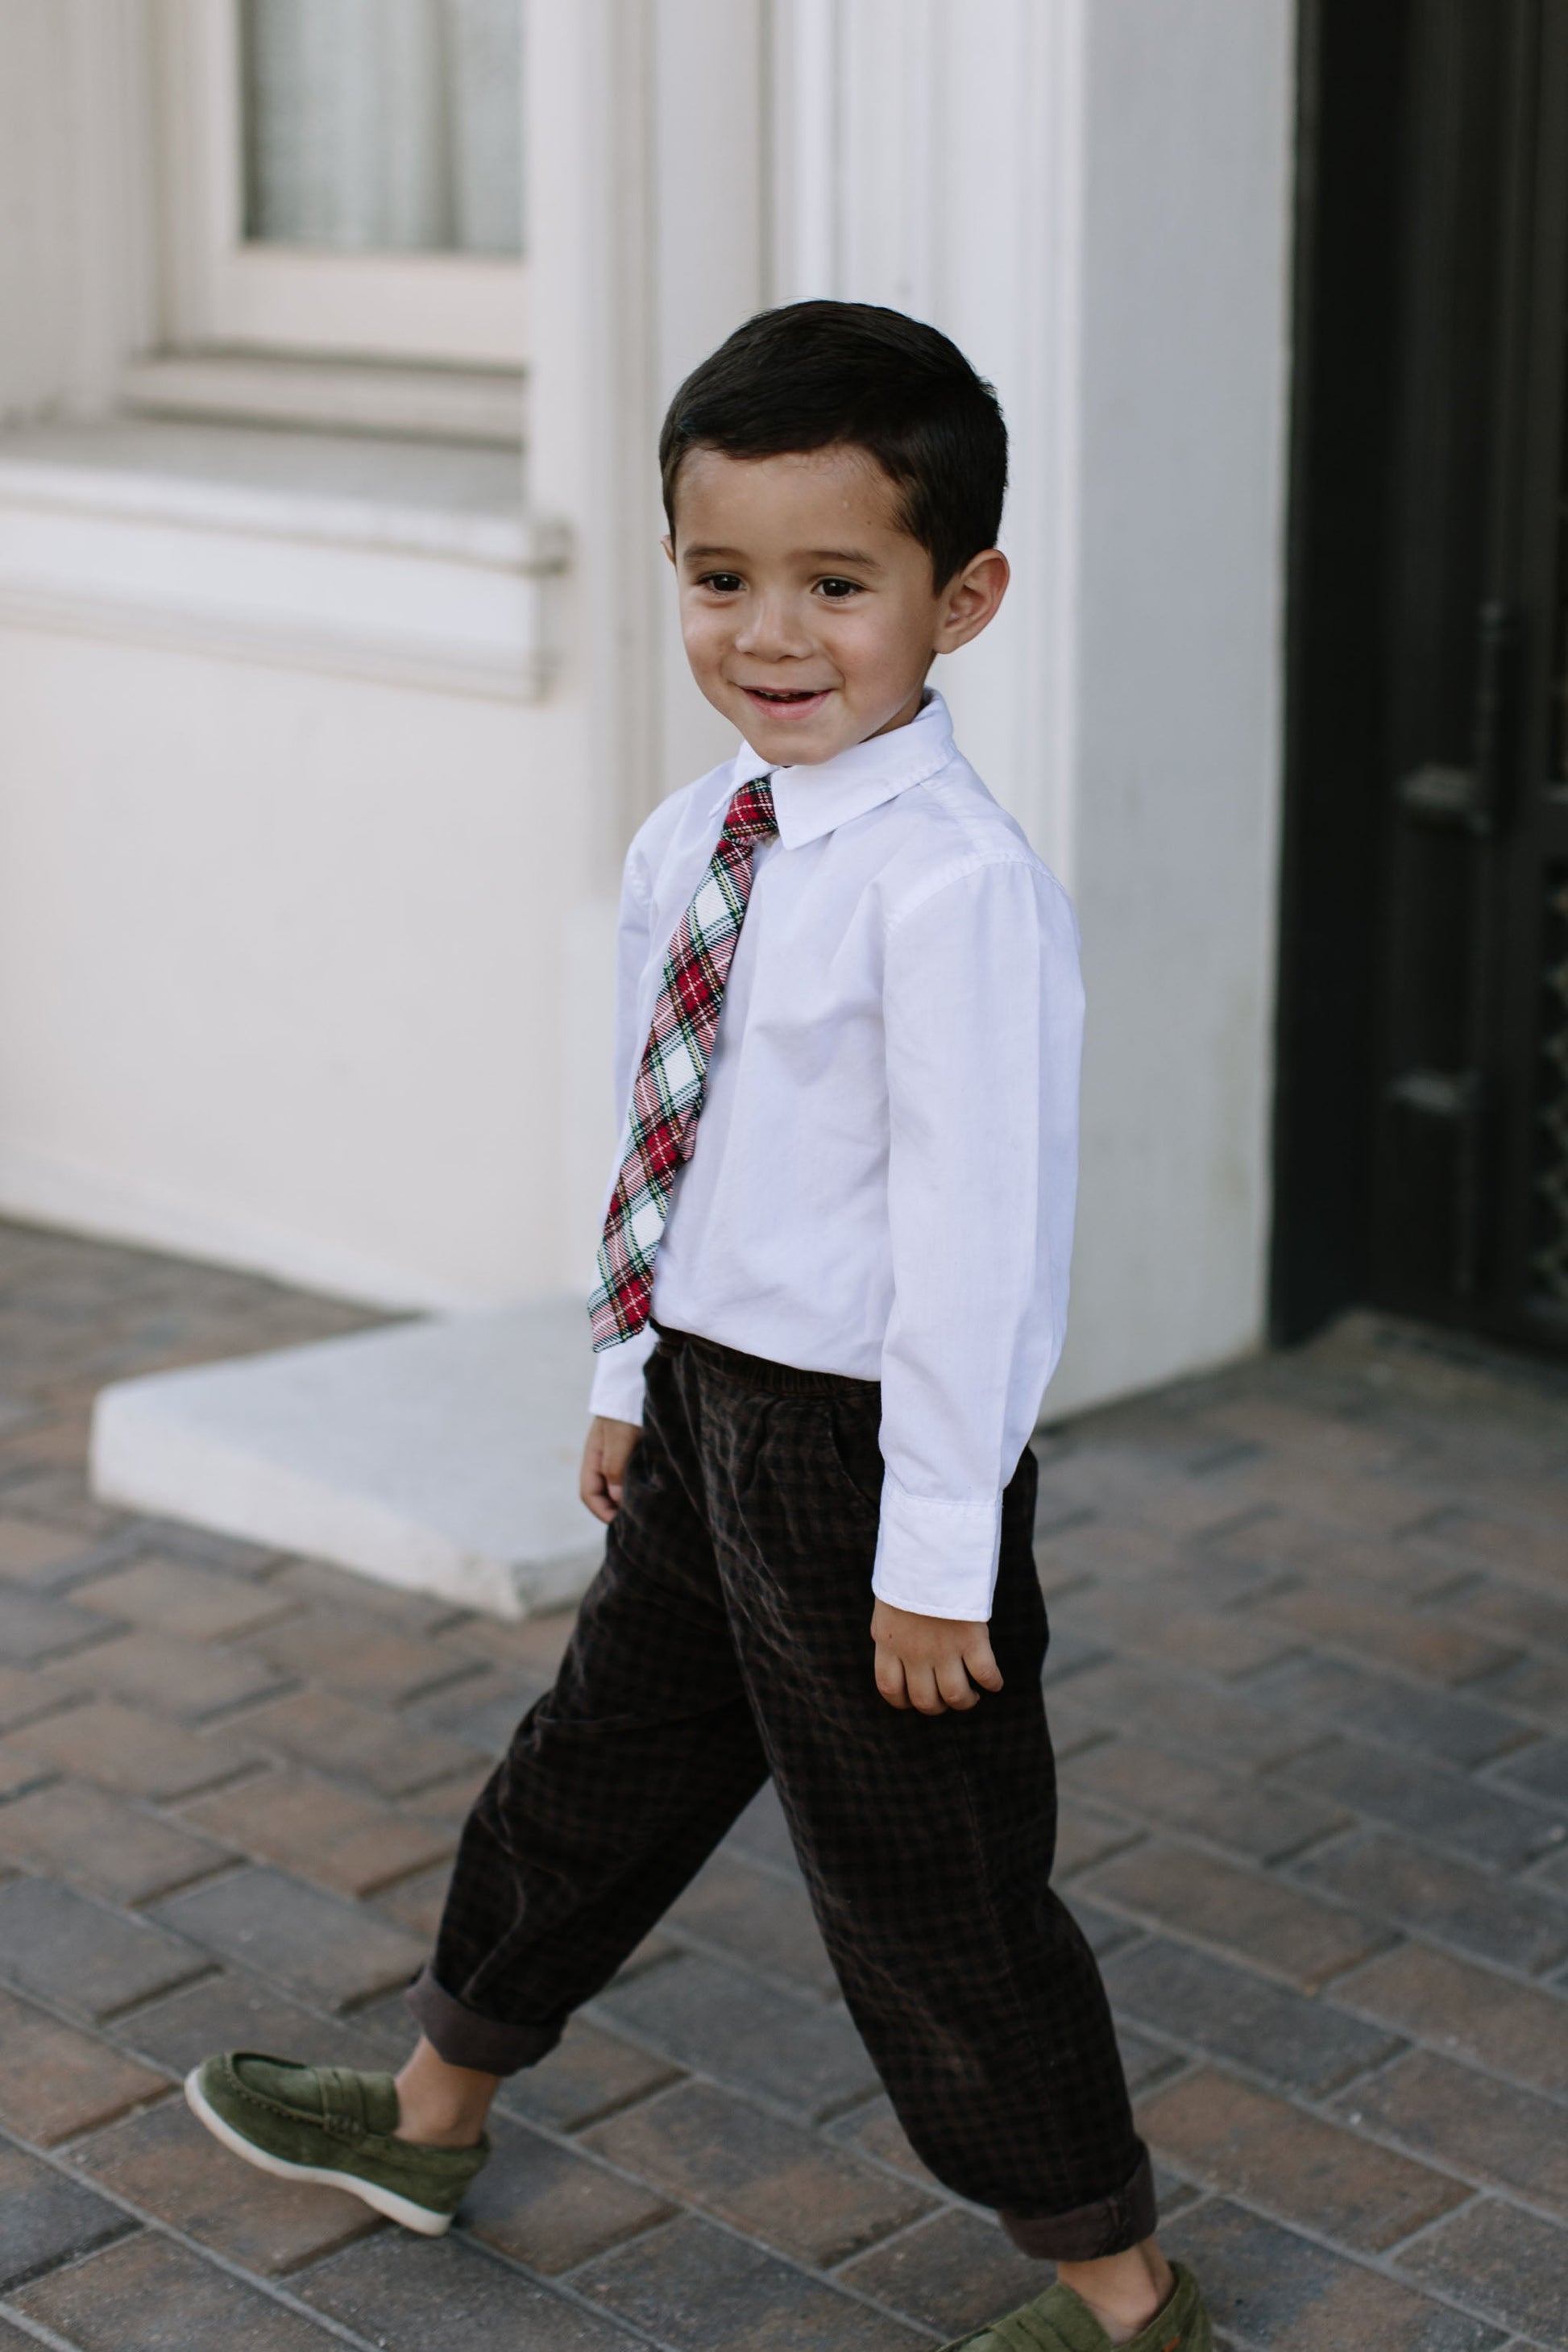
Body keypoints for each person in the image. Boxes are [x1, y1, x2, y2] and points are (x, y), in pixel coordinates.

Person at [185, 301, 1212, 2352]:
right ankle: (430, 2113)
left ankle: (1121, 2290)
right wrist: (623, 1369)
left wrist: (933, 1548)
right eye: (721, 577)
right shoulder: (695, 840)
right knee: (592, 1767)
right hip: (705, 1410)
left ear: (962, 598)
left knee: (924, 1873)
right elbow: (663, 1138)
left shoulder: (951, 889)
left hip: (861, 1448)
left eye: (837, 583)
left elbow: (982, 1251)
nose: (770, 632)